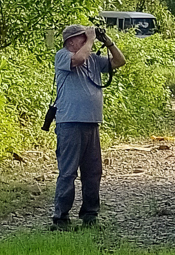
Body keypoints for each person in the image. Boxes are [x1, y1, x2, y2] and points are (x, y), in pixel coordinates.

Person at [51, 24, 125, 229]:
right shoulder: (63, 55)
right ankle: (60, 218)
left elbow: (119, 61)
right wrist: (91, 40)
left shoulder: (92, 58)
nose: (86, 41)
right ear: (71, 41)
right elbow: (79, 59)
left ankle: (90, 214)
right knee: (68, 172)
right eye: (82, 38)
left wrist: (107, 41)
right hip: (70, 123)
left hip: (91, 122)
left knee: (93, 172)